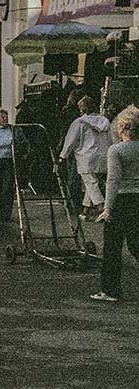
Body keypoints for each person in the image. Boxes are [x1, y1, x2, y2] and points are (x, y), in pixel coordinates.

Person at [93, 106, 139, 302]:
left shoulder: (116, 150)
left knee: (112, 247)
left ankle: (110, 290)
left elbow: (113, 181)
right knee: (136, 244)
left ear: (121, 128)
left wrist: (107, 208)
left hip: (121, 200)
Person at [61, 96, 113, 220]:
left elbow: (70, 141)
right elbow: (110, 139)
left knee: (91, 184)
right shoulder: (105, 121)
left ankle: (103, 210)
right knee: (92, 183)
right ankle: (85, 211)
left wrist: (63, 156)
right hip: (102, 156)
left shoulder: (79, 122)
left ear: (82, 109)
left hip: (86, 158)